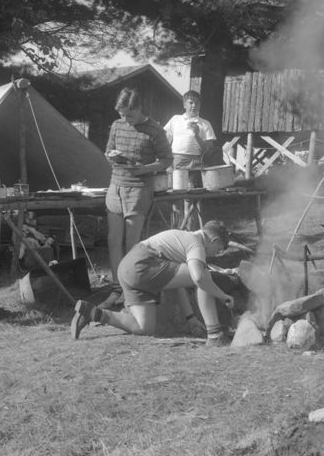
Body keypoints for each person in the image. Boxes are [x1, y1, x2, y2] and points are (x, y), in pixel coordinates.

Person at [71, 220, 235, 346]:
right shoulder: (195, 243)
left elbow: (177, 283)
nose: (216, 253)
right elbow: (199, 278)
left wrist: (190, 318)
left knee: (144, 328)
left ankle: (93, 313)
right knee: (204, 274)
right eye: (219, 249)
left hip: (127, 268)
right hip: (142, 265)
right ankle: (214, 336)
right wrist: (222, 295)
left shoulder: (183, 239)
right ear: (214, 240)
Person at [104, 87, 173, 291]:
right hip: (115, 186)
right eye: (122, 114)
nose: (126, 119)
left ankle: (131, 287)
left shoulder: (155, 129)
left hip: (139, 189)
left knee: (132, 242)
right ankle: (117, 286)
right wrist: (110, 156)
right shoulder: (117, 125)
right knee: (113, 240)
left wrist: (145, 168)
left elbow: (167, 159)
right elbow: (108, 150)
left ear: (139, 108)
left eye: (130, 115)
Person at [163, 90, 218, 188]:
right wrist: (167, 162)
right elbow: (166, 141)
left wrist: (197, 135)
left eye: (197, 103)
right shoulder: (175, 119)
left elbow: (209, 150)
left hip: (196, 162)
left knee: (194, 193)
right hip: (177, 160)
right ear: (184, 105)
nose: (194, 106)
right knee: (177, 192)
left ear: (200, 105)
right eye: (191, 103)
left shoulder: (205, 124)